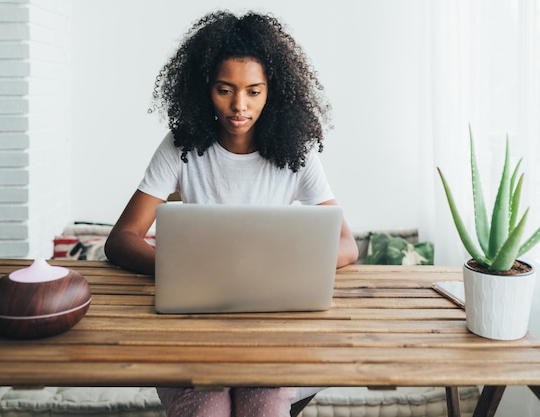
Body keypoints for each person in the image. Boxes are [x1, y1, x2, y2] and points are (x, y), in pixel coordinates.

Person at [104, 10, 358, 417]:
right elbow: (121, 240)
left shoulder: (296, 153)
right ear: (204, 88)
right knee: (206, 405)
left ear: (273, 92)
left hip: (271, 327)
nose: (239, 105)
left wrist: (281, 270)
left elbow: (347, 245)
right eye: (225, 89)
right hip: (192, 323)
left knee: (266, 403)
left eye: (254, 91)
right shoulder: (182, 146)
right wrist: (184, 273)